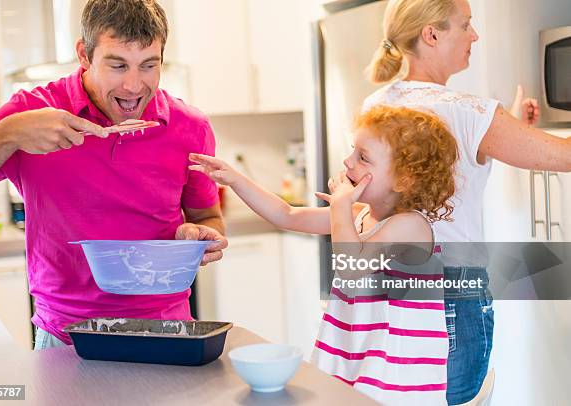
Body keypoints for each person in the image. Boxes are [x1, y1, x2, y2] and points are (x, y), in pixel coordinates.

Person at [0, 0, 227, 349]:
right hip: (65, 337)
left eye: (149, 65)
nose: (134, 86)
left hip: (166, 331)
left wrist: (201, 235)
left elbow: (208, 216)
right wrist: (9, 132)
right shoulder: (30, 113)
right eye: (118, 65)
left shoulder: (190, 127)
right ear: (84, 55)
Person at [364, 0, 571, 404]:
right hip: (453, 295)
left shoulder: (375, 106)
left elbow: (434, 167)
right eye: (466, 25)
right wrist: (502, 130)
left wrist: (505, 129)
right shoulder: (470, 111)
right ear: (432, 34)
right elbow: (563, 155)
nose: (474, 36)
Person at [190, 105, 459, 405]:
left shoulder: (411, 227)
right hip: (356, 361)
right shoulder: (360, 216)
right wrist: (234, 179)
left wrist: (340, 208)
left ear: (403, 180)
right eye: (352, 151)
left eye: (363, 157)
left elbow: (351, 266)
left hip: (396, 379)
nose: (347, 161)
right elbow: (287, 215)